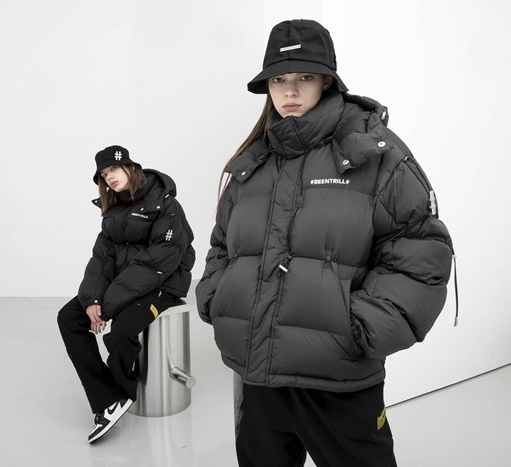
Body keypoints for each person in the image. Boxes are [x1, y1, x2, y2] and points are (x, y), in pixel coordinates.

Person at [195, 19, 454, 467]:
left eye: (305, 77)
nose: (290, 91)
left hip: (338, 382)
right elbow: (223, 246)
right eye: (278, 79)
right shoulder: (252, 164)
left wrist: (357, 328)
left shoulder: (373, 153)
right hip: (257, 377)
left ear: (327, 81)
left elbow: (421, 252)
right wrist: (217, 299)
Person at [57, 145, 195, 444]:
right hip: (126, 283)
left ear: (130, 168)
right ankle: (108, 398)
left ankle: (122, 390)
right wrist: (93, 300)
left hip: (163, 283)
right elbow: (101, 260)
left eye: (114, 169)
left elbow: (161, 260)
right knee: (69, 317)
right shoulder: (113, 211)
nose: (110, 177)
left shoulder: (166, 204)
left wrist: (107, 306)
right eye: (104, 174)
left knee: (122, 330)